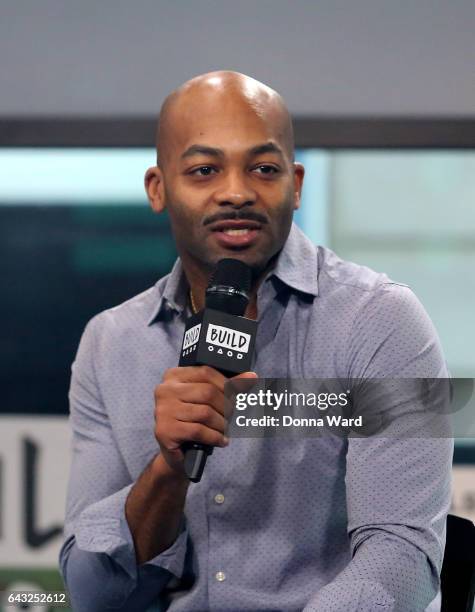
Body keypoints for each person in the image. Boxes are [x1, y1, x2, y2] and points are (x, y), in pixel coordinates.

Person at [59, 71, 452, 612]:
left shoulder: (383, 320)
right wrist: (168, 470)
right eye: (204, 170)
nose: (237, 192)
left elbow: (402, 559)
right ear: (158, 188)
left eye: (264, 169)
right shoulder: (111, 343)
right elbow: (93, 593)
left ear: (295, 184)